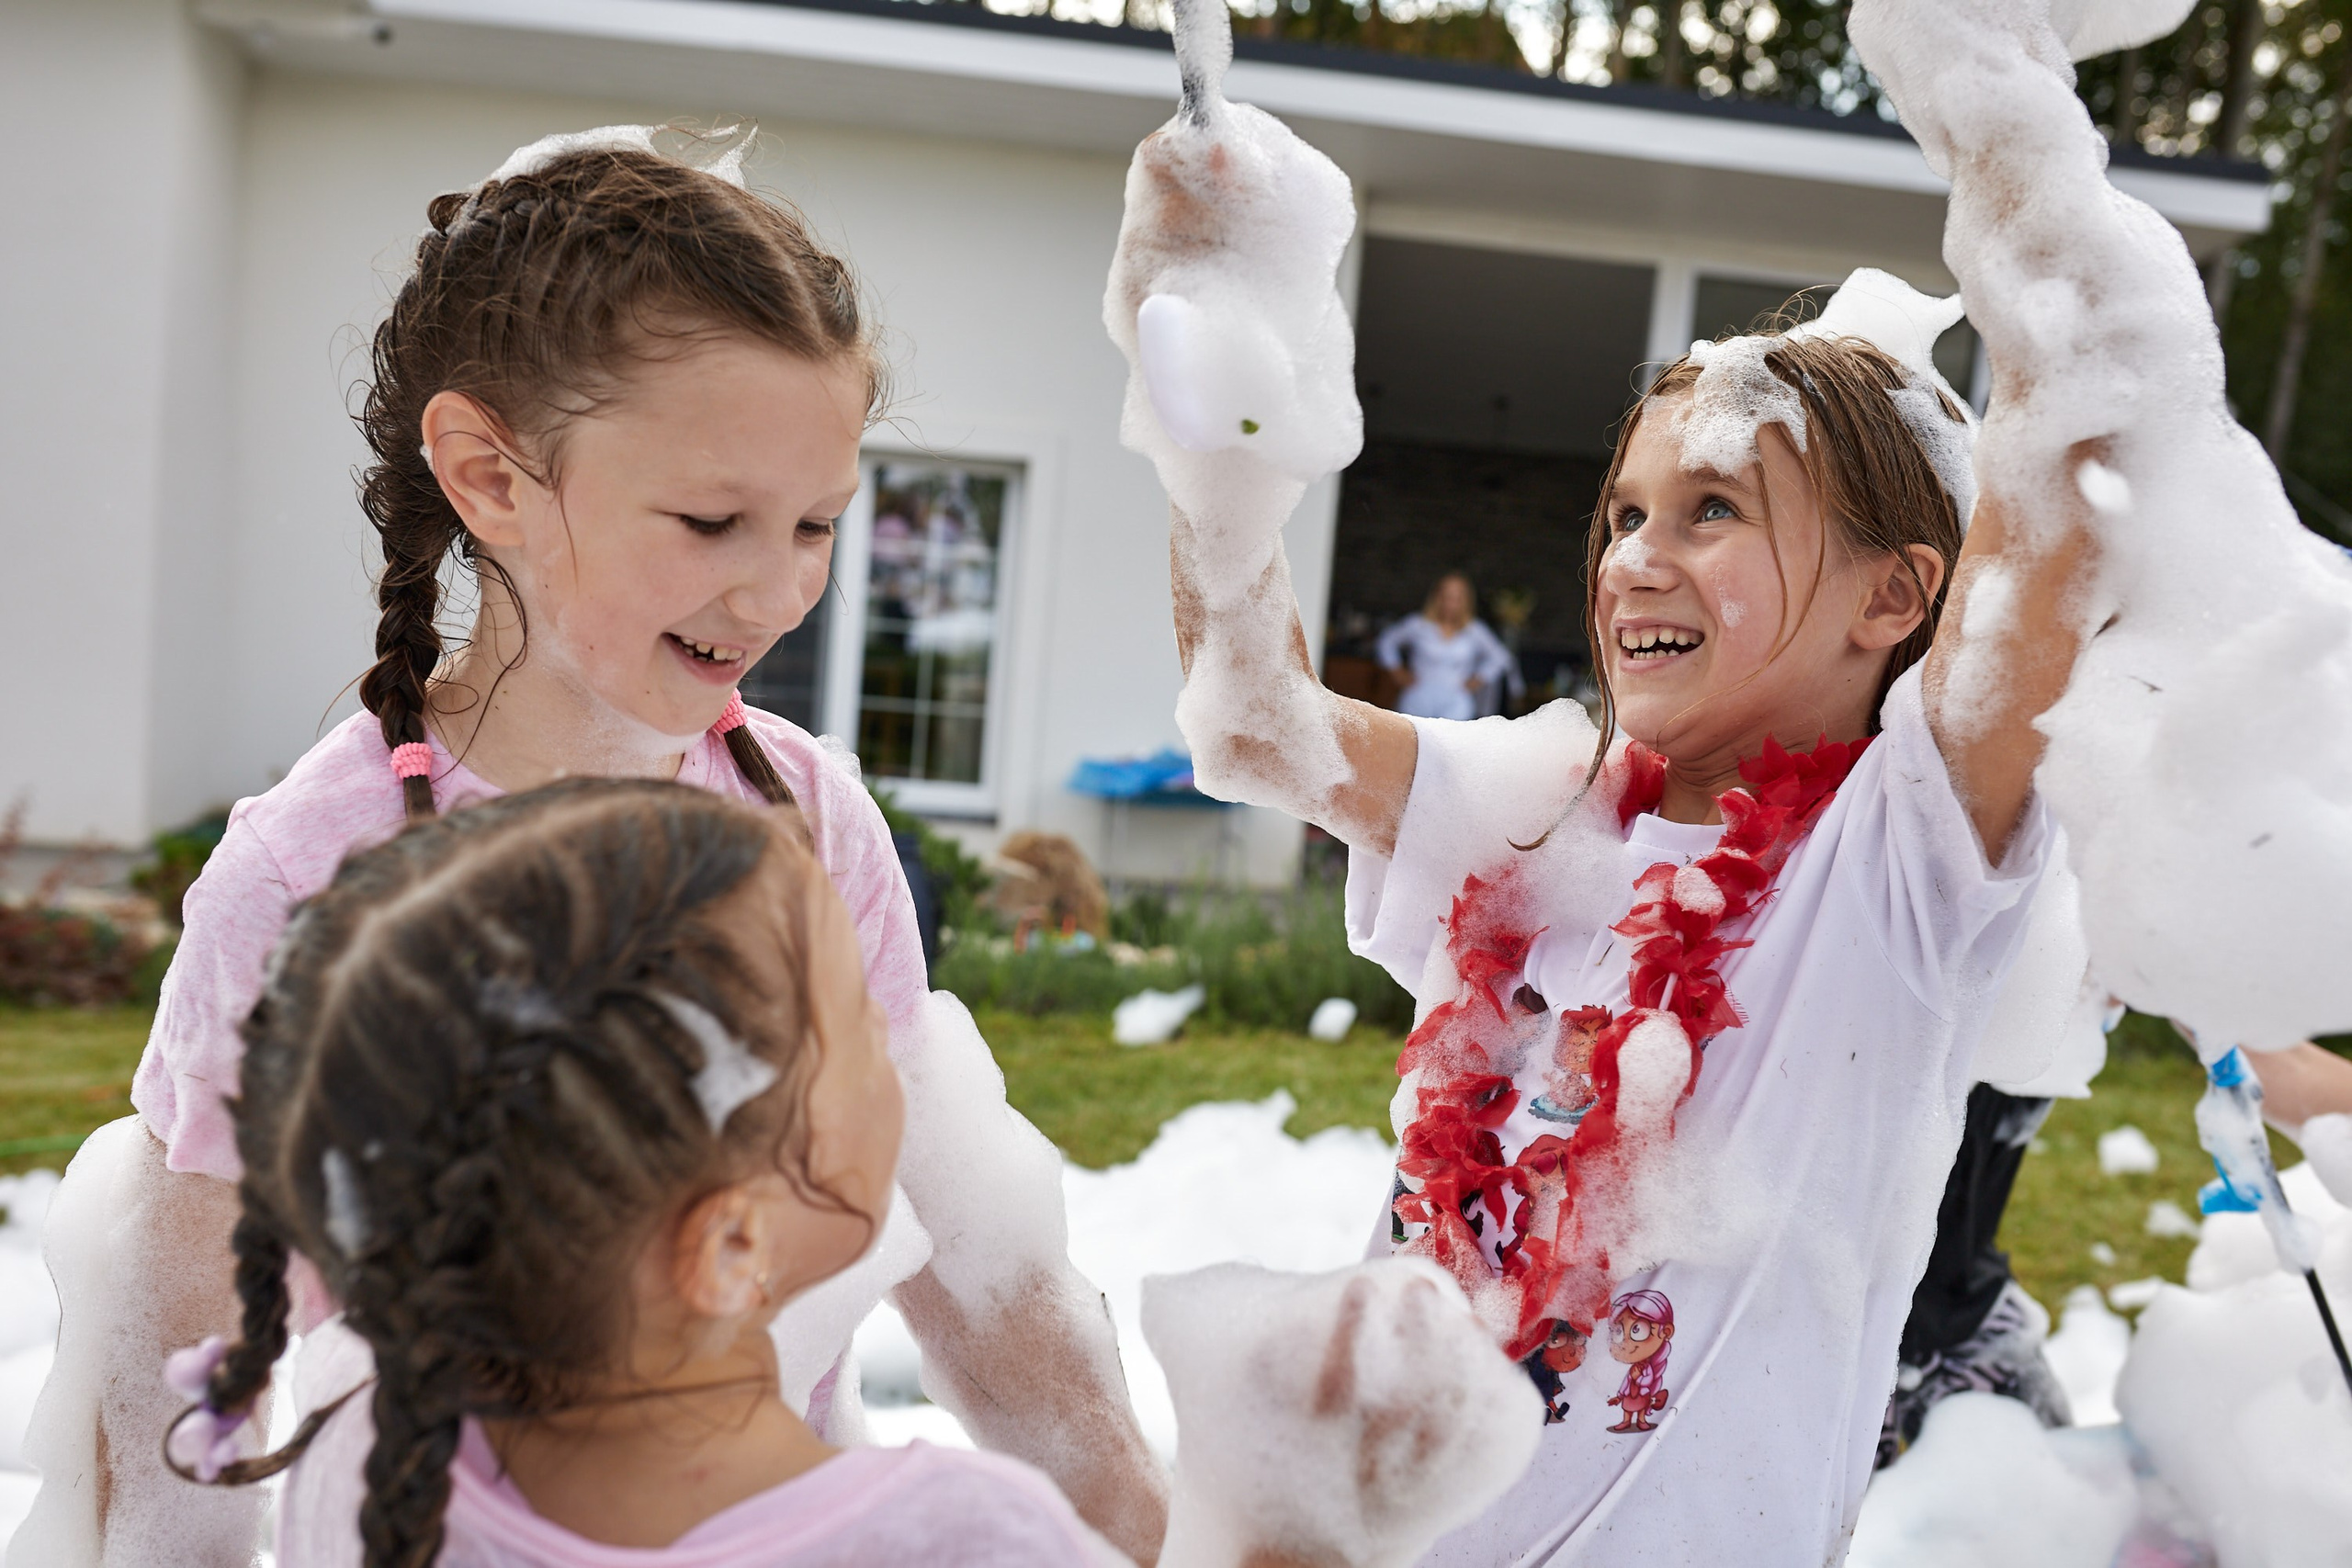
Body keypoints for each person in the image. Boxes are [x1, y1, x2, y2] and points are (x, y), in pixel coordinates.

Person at [15, 128, 1163, 1568]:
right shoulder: (309, 875)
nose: (779, 589)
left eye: (817, 524)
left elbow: (980, 1276)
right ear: (489, 477)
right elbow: (184, 1368)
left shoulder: (807, 819)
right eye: (712, 519)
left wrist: (1131, 1513)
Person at [1110, 108, 2093, 1568]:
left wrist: (1998, 97)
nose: (1634, 555)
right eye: (1627, 511)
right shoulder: (1537, 809)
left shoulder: (1901, 867)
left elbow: (2056, 517)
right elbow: (1255, 723)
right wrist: (1215, 334)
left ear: (1894, 597)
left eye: (1712, 509)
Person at [165, 781, 1548, 1568]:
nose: (909, 1051)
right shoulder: (953, 1539)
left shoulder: (380, 1449)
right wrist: (1304, 1522)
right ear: (728, 1249)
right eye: (856, 1032)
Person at [1374, 574, 1522, 721]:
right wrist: (1397, 671)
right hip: (1418, 698)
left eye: (1457, 598)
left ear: (1466, 601)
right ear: (1436, 597)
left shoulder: (1474, 630)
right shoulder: (1418, 624)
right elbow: (1386, 641)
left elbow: (1500, 656)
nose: (1450, 604)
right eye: (1445, 597)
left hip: (1456, 702)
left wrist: (1478, 678)